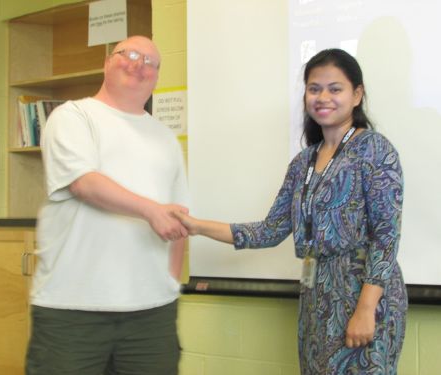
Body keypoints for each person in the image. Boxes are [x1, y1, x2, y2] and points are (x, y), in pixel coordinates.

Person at [174, 49, 407, 374]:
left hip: (364, 297)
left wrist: (366, 308)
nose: (322, 97)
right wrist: (196, 226)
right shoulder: (303, 163)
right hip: (317, 298)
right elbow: (269, 231)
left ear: (357, 94)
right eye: (314, 89)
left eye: (334, 88)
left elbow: (386, 237)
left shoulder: (375, 150)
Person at [25, 36, 189, 375]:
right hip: (72, 310)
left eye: (149, 61)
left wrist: (171, 283)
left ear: (156, 77)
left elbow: (178, 217)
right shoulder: (73, 116)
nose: (137, 64)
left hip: (151, 315)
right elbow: (85, 183)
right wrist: (150, 210)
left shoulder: (166, 139)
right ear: (106, 62)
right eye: (128, 54)